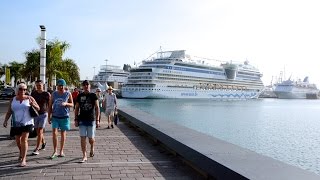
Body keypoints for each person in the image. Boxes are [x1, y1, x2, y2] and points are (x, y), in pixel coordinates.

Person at [2, 83, 40, 167]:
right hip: (16, 123)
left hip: (28, 122)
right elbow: (9, 111)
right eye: (21, 89)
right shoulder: (13, 99)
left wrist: (32, 104)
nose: (23, 91)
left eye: (25, 89)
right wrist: (5, 120)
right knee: (17, 141)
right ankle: (21, 152)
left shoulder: (29, 98)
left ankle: (24, 159)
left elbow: (38, 108)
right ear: (17, 90)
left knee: (24, 139)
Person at [74, 80, 100, 163]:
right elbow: (77, 108)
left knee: (91, 139)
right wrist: (76, 119)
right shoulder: (79, 95)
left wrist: (97, 120)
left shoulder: (93, 95)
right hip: (82, 119)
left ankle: (92, 147)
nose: (85, 86)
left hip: (91, 120)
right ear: (82, 86)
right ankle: (84, 155)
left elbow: (97, 108)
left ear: (89, 86)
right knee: (82, 138)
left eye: (87, 85)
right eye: (84, 85)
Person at [48, 79, 73, 159]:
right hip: (55, 116)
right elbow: (50, 105)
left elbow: (72, 104)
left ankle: (61, 150)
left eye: (62, 85)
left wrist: (66, 103)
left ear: (64, 86)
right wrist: (49, 116)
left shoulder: (68, 94)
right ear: (57, 86)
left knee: (63, 133)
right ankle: (55, 150)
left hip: (64, 116)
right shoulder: (54, 94)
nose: (61, 87)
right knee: (54, 133)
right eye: (59, 85)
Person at [31, 80, 51, 155]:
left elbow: (50, 105)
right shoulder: (33, 94)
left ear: (43, 85)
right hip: (35, 114)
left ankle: (37, 148)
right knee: (38, 132)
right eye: (37, 85)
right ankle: (43, 142)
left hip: (44, 114)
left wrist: (50, 115)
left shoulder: (46, 94)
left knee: (39, 131)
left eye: (40, 85)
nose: (38, 86)